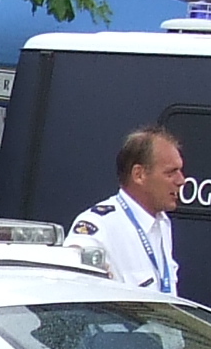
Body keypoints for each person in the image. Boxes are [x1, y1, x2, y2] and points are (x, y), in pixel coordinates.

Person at [69, 126, 186, 294]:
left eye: (180, 171)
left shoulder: (162, 223)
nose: (181, 180)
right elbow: (75, 289)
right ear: (139, 175)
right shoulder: (98, 225)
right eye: (170, 173)